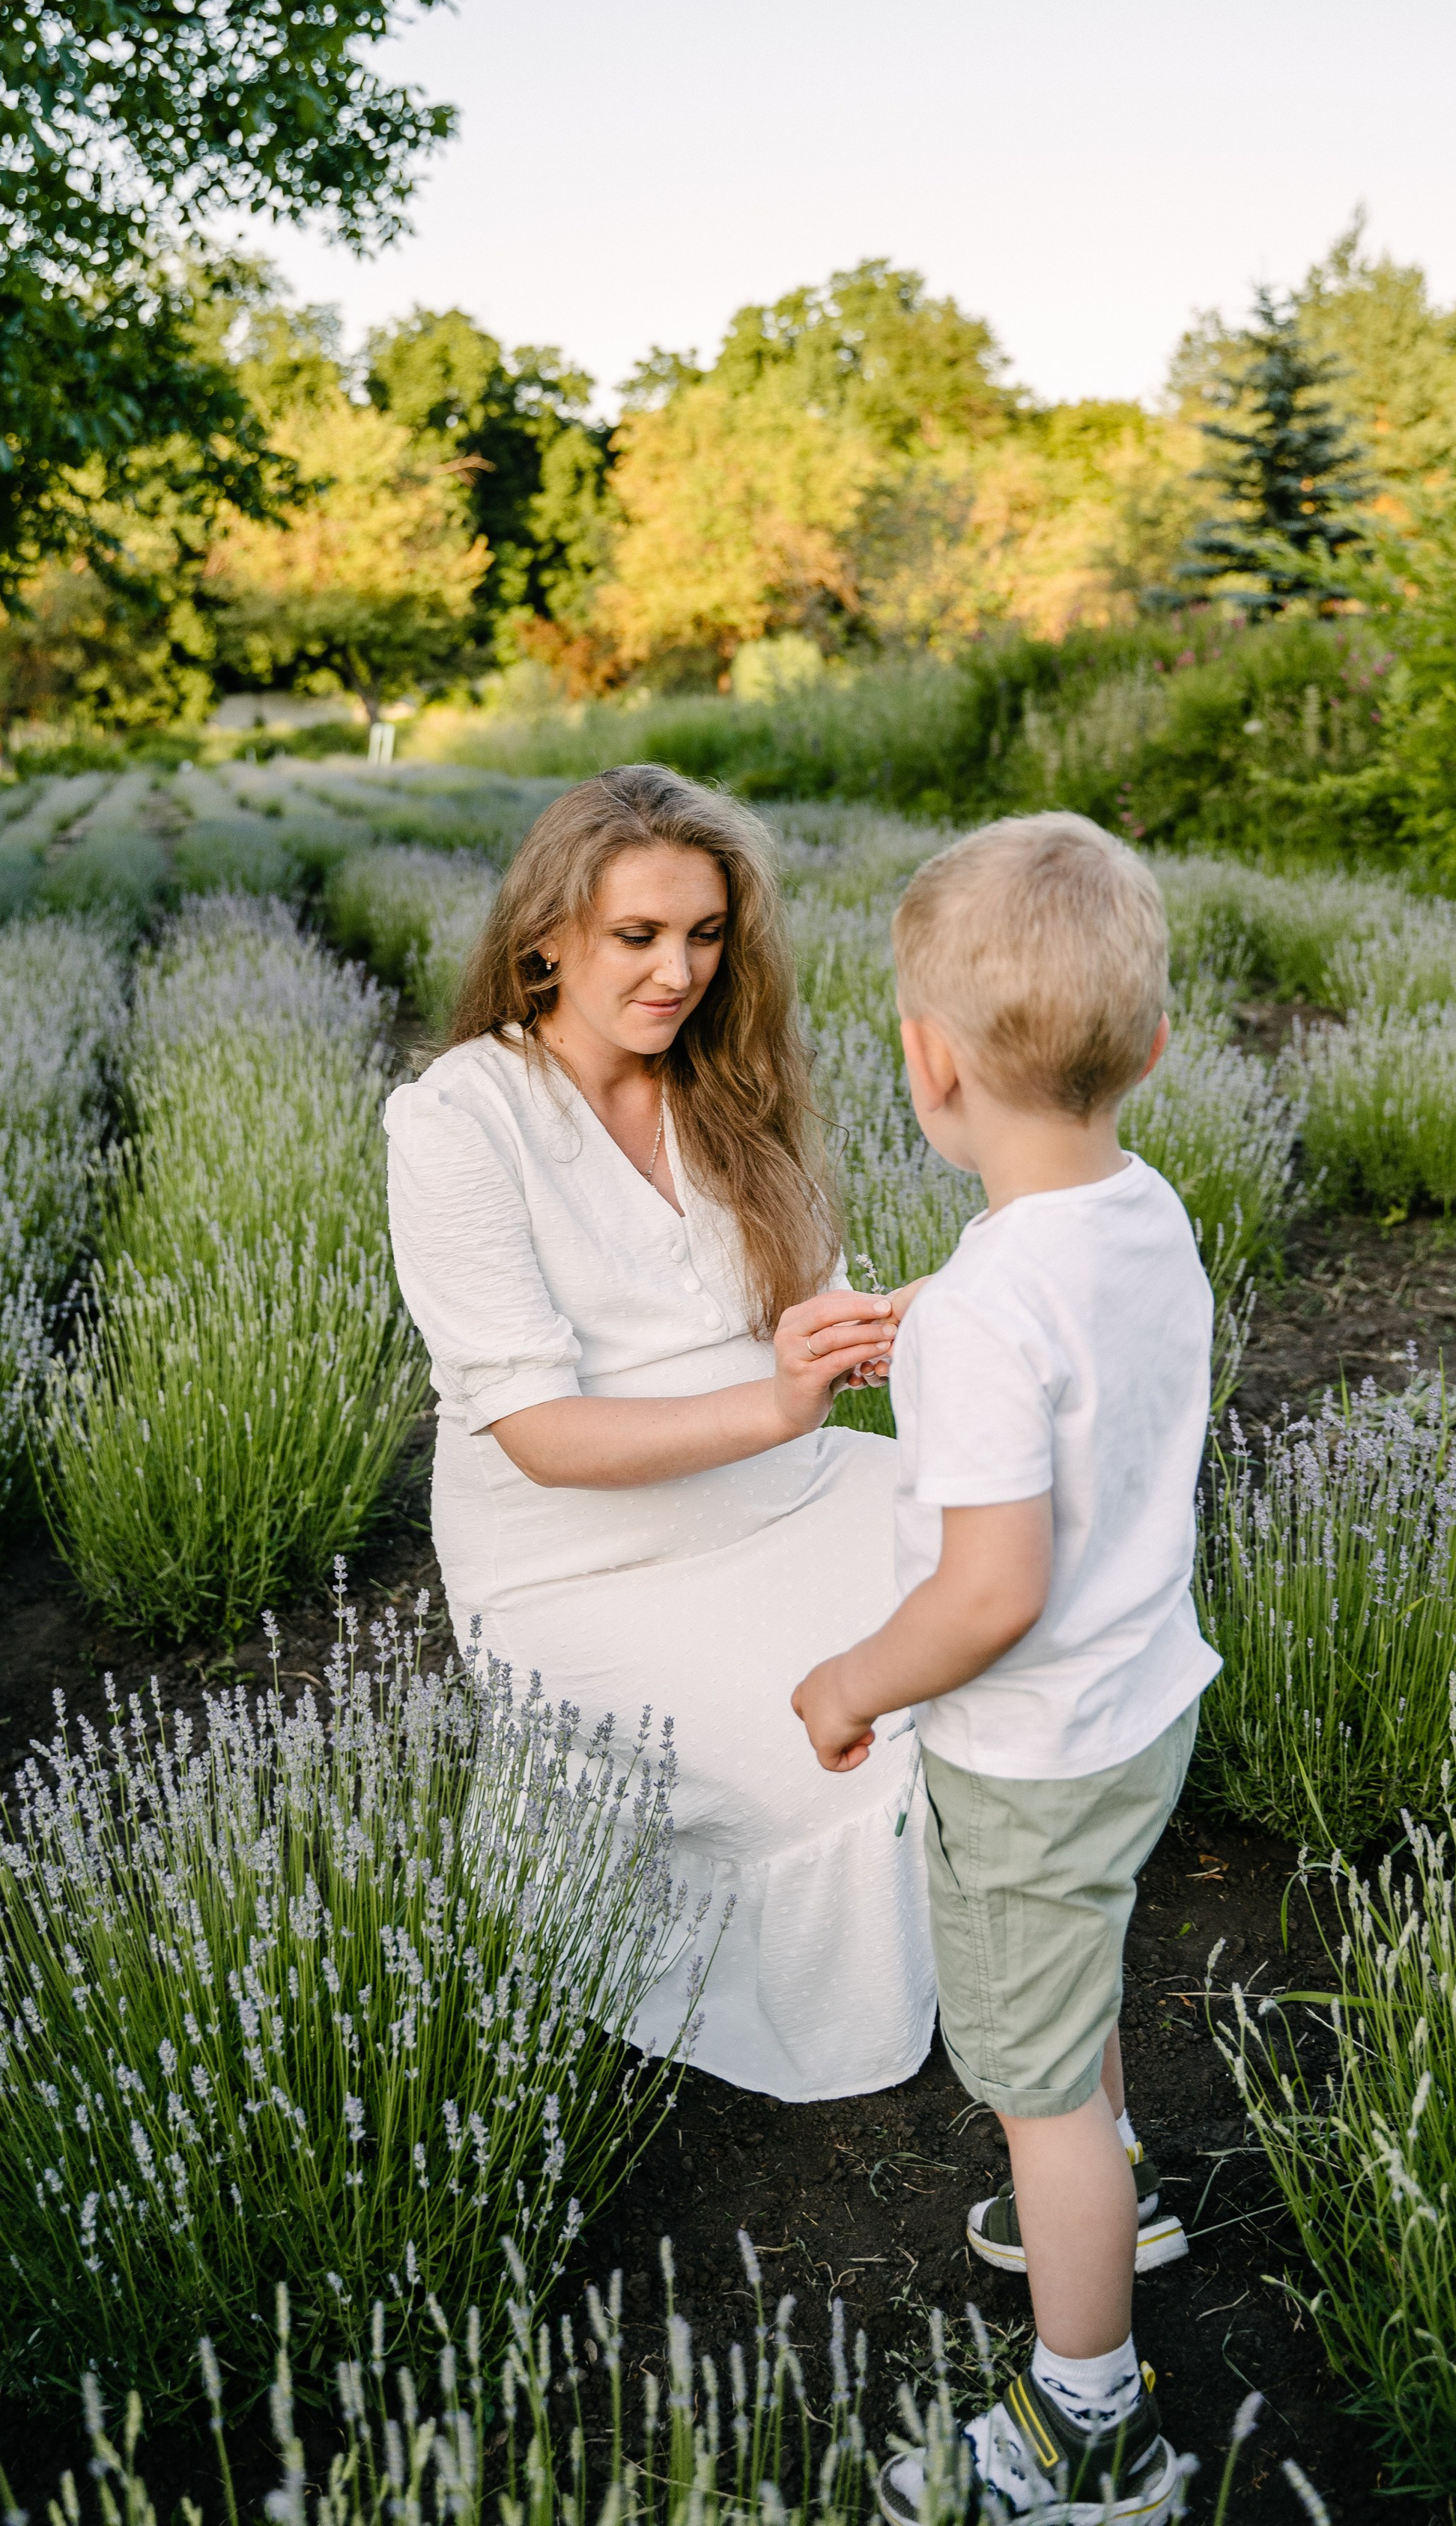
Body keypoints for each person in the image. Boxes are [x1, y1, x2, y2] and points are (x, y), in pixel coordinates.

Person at [383, 764, 936, 2101]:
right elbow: (538, 1434)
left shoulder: (730, 1085)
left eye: (704, 934)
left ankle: (1009, 1945)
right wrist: (780, 1396)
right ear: (545, 942)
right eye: (637, 937)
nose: (677, 971)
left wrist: (902, 1320)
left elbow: (806, 1312)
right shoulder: (459, 1118)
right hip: (588, 1562)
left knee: (1020, 1598)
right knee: (839, 1771)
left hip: (797, 1489)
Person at [792, 811, 1217, 2526]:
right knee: (1080, 1988)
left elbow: (983, 1593)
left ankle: (1086, 2424)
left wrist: (848, 1683)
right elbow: (1075, 1378)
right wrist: (951, 1333)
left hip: (1025, 1753)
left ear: (923, 1062)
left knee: (1034, 2088)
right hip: (1135, 1717)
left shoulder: (984, 1311)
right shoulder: (1140, 1210)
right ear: (1154, 1050)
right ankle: (1112, 2193)